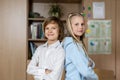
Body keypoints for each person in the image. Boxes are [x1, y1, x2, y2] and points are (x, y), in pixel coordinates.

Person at [62, 13, 98, 80]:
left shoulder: (78, 44)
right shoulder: (72, 46)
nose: (80, 27)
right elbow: (86, 71)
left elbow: (91, 63)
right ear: (70, 26)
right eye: (76, 24)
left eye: (82, 24)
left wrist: (89, 63)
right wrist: (96, 78)